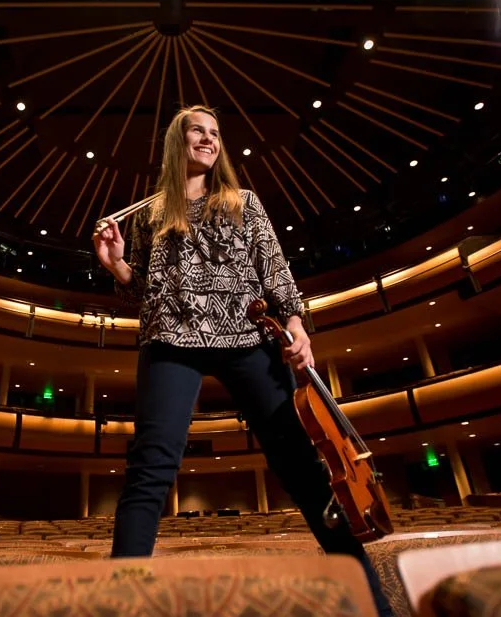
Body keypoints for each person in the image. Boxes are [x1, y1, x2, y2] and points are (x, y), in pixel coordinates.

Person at [92, 105, 393, 616]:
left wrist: (296, 325)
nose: (208, 140)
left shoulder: (243, 202)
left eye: (214, 133)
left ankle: (374, 603)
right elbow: (145, 292)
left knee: (301, 463)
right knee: (150, 467)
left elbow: (274, 269)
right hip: (170, 339)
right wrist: (119, 263)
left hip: (246, 336)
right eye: (197, 132)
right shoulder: (148, 215)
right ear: (176, 143)